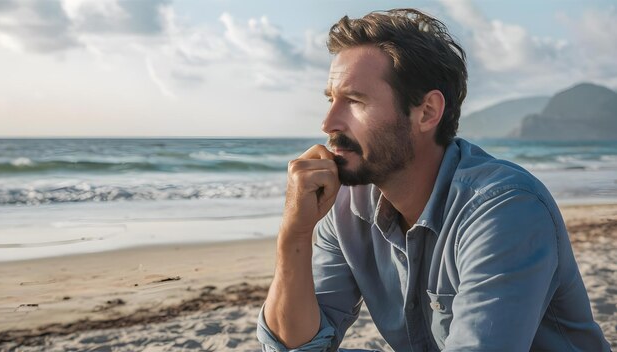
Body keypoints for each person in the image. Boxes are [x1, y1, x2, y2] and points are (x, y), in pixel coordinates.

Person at [257, 8, 611, 352]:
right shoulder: (348, 207)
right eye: (332, 99)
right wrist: (294, 234)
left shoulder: (504, 209)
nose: (328, 122)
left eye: (354, 100)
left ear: (426, 112)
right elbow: (295, 346)